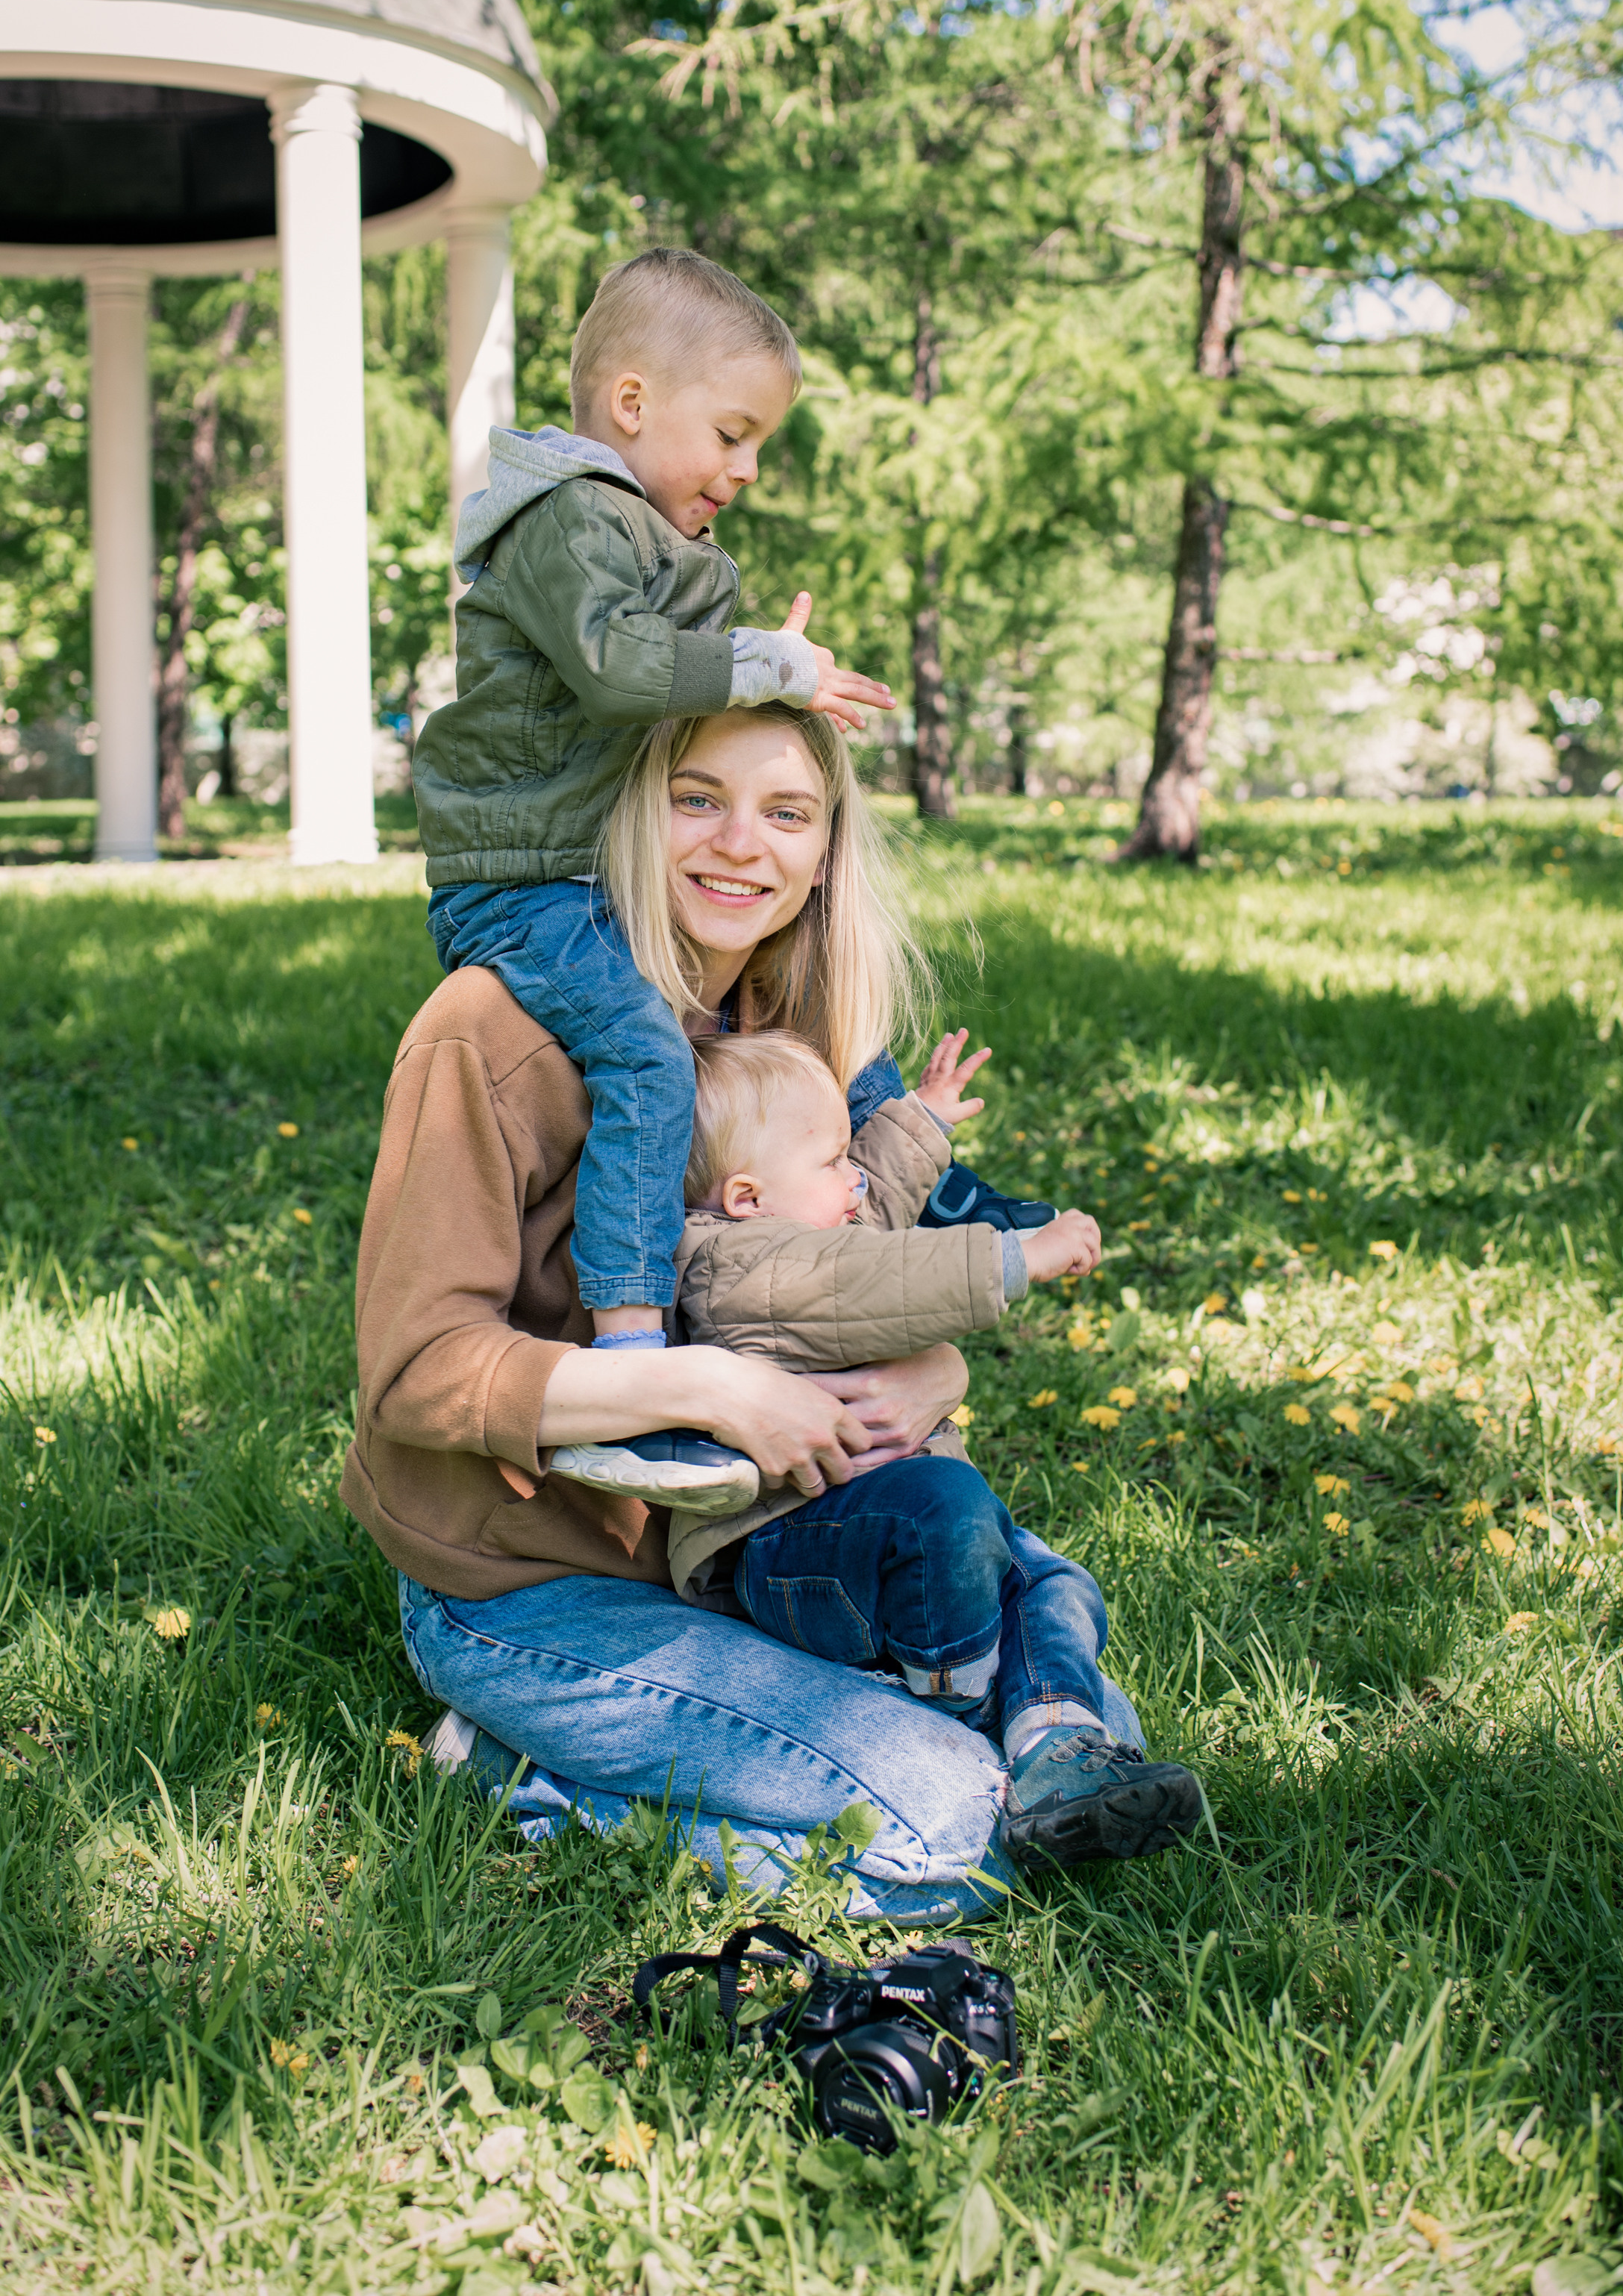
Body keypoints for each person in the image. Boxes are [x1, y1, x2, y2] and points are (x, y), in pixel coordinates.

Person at [348, 702, 1204, 1916]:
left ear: (821, 853)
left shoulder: (786, 1044)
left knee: (1073, 1726)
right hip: (529, 1587)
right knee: (968, 1821)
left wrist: (936, 1373)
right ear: (624, 817)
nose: (739, 843)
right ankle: (532, 1774)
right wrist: (707, 1387)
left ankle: (827, 1738)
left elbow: (841, 1276)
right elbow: (413, 1372)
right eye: (696, 797)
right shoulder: (492, 1034)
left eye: (784, 811)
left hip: (758, 1544)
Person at [410, 248, 896, 1402]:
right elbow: (624, 669)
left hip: (589, 867)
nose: (748, 468)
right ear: (631, 403)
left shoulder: (662, 547)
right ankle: (632, 1343)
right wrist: (764, 660)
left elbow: (681, 706)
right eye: (731, 433)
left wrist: (762, 680)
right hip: (523, 878)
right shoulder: (572, 521)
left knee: (788, 1030)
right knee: (643, 1050)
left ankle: (916, 1197)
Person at [662, 1030, 1207, 1868]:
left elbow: (872, 1210)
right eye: (832, 1160)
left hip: (871, 1541)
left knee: (1048, 1578)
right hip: (792, 1548)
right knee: (946, 1507)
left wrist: (918, 1119)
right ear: (745, 1197)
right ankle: (951, 1703)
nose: (853, 1176)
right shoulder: (735, 1266)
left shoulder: (797, 1231)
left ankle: (1055, 1748)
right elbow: (885, 1277)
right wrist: (1022, 1255)